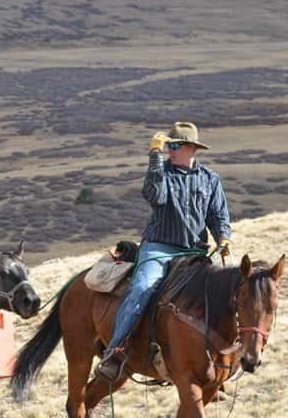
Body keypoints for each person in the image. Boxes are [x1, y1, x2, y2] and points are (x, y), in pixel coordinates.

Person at [96, 121, 232, 382]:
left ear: (192, 148)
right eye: (169, 145)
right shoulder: (163, 173)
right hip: (159, 248)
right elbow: (155, 196)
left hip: (195, 251)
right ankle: (114, 351)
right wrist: (154, 158)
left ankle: (214, 363)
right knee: (142, 288)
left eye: (176, 145)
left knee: (218, 296)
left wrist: (223, 237)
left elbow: (218, 215)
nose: (171, 149)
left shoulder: (210, 179)